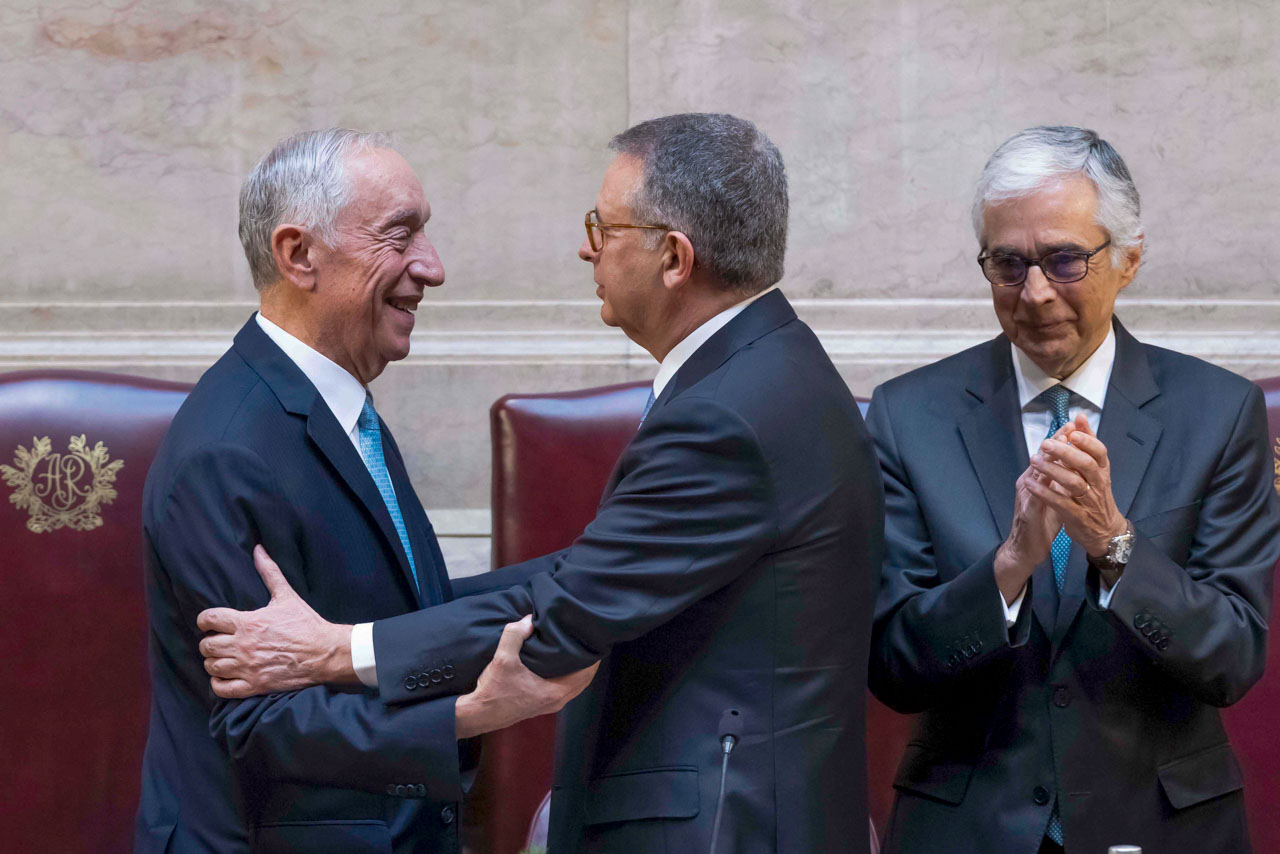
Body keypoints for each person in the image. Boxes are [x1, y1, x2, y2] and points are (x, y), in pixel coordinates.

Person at [197, 113, 885, 853]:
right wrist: (398, 616)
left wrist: (336, 649)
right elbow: (585, 574)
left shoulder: (730, 415)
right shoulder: (766, 373)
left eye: (605, 225)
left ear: (674, 258)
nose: (586, 247)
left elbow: (565, 615)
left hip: (722, 828)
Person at [136, 128, 593, 854]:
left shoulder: (337, 407)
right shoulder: (226, 451)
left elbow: (411, 616)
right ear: (299, 255)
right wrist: (468, 714)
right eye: (400, 235)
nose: (433, 268)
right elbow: (258, 725)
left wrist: (603, 571)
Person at [866, 126, 1280, 853]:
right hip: (968, 827)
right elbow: (891, 664)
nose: (1034, 294)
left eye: (1063, 261)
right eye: (1008, 263)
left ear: (1130, 259)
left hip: (1159, 822)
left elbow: (1232, 657)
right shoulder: (908, 417)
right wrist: (1008, 567)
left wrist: (1116, 547)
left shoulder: (1218, 413)